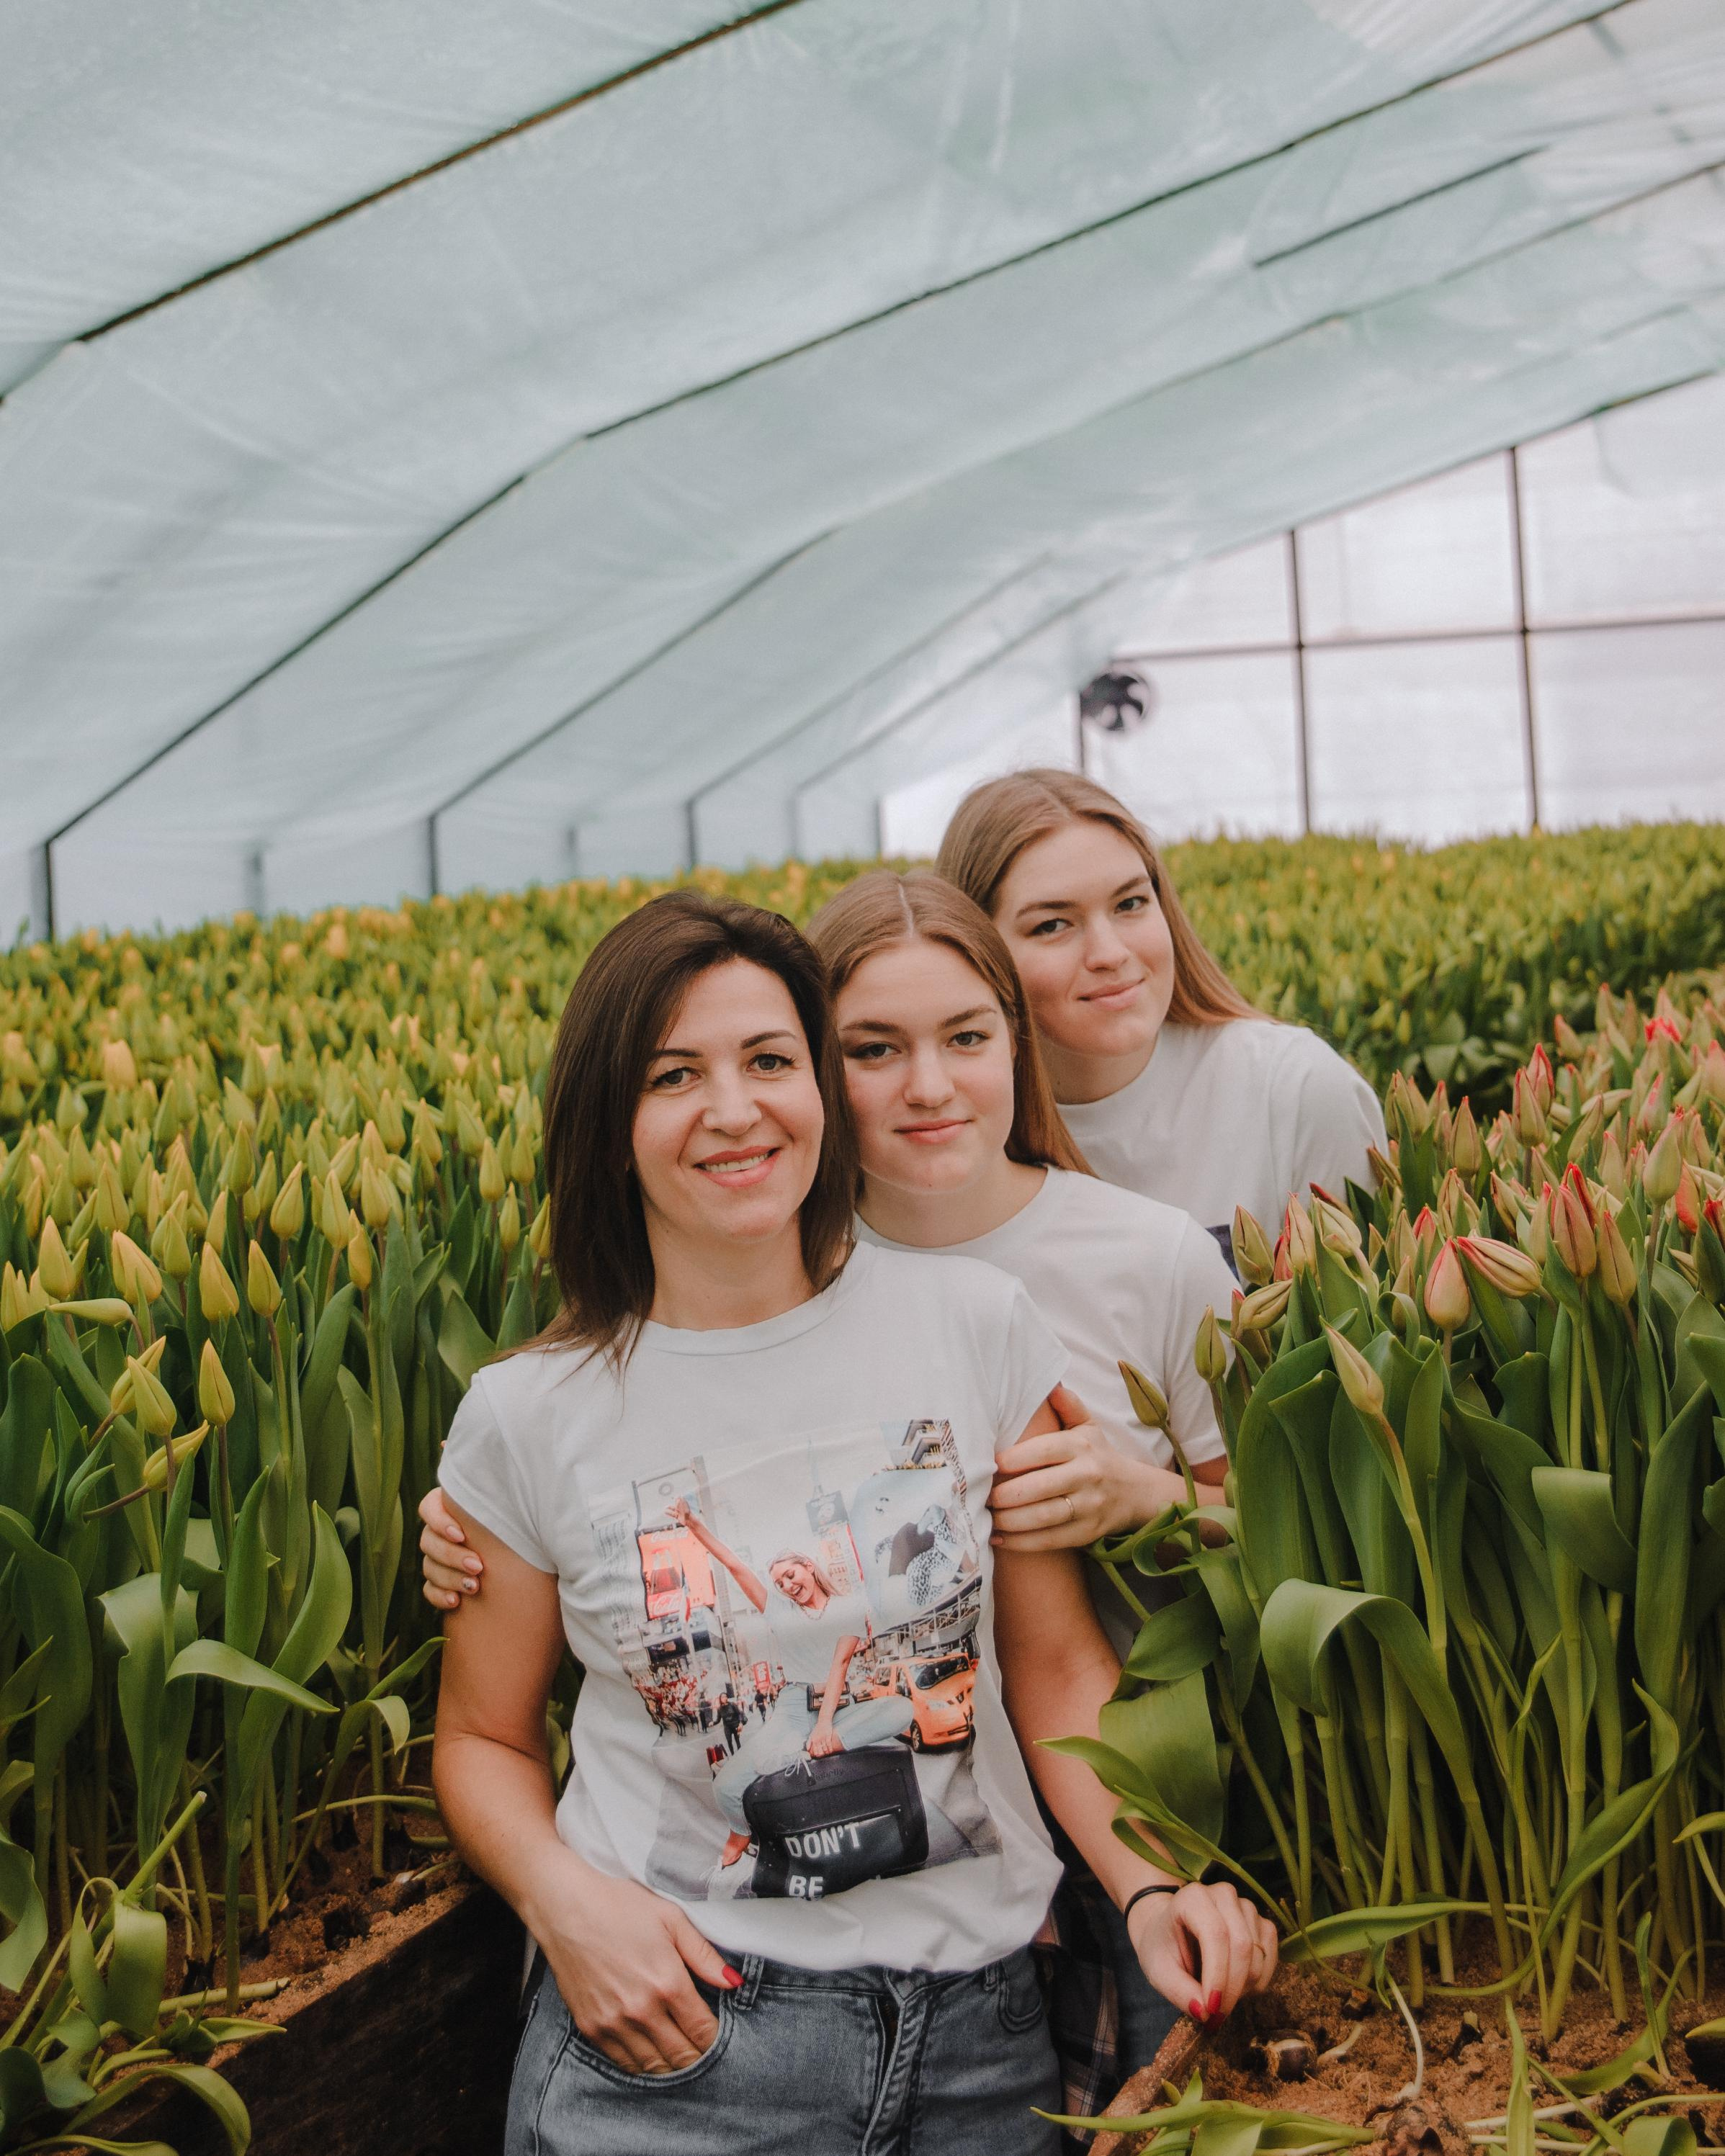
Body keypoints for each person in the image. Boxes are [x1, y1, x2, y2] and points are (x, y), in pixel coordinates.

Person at [430, 890, 1276, 2156]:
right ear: (610, 1122)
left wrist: (1148, 1881)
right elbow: (481, 1736)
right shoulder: (526, 1411)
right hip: (677, 2039)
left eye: (771, 1060)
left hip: (983, 2044)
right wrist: (563, 1903)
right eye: (675, 1074)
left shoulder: (973, 1323)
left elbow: (1054, 1666)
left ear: (817, 1091)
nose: (735, 1106)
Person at [936, 768, 1386, 1251]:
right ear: (975, 952)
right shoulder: (940, 1133)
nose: (1109, 953)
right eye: (1051, 926)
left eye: (1129, 903)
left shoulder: (1298, 1092)